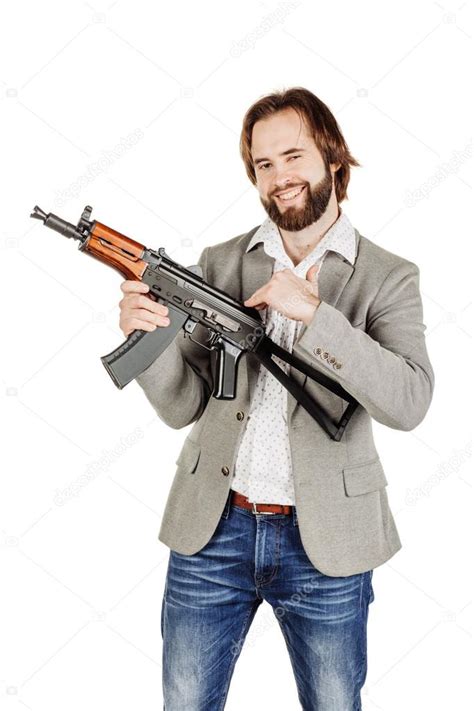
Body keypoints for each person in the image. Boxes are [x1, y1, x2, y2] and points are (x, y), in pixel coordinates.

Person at [117, 87, 435, 710]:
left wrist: (316, 316)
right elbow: (183, 406)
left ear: (333, 159)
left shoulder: (389, 276)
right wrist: (146, 341)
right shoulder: (221, 262)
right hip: (213, 529)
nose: (280, 177)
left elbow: (410, 402)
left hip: (328, 540)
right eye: (264, 165)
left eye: (293, 156)